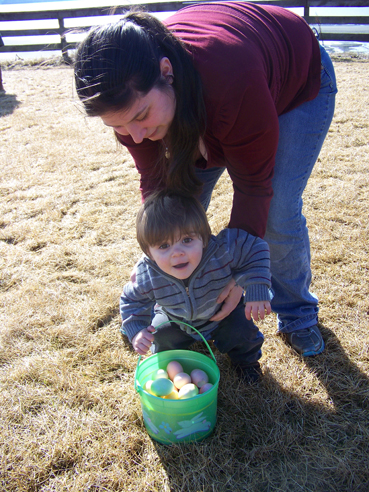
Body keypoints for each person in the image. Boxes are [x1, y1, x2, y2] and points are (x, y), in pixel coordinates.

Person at [74, 2, 338, 357]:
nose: (135, 137)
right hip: (206, 99)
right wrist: (164, 261)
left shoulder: (230, 80)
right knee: (180, 209)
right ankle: (186, 310)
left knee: (276, 212)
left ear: (165, 71)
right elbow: (157, 185)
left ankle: (297, 315)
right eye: (117, 126)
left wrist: (238, 275)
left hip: (294, 82)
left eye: (141, 116)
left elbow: (254, 187)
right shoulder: (130, 109)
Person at [120, 191, 272, 383]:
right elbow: (130, 300)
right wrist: (137, 330)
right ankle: (173, 367)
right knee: (159, 335)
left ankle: (247, 364)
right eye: (164, 246)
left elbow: (255, 247)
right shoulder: (148, 275)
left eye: (187, 240)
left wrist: (256, 286)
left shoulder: (220, 251)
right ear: (148, 252)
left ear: (203, 237)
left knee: (241, 330)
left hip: (221, 314)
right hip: (176, 320)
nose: (177, 253)